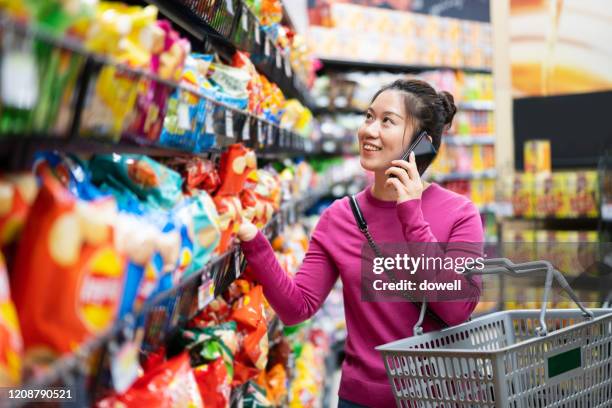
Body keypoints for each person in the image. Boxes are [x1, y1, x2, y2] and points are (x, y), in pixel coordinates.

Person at [237, 79, 483, 407]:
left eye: (387, 121)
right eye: (369, 117)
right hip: (362, 399)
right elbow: (297, 307)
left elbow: (454, 309)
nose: (369, 130)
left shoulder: (460, 213)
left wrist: (411, 213)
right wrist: (254, 242)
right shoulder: (339, 217)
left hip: (442, 396)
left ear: (422, 144)